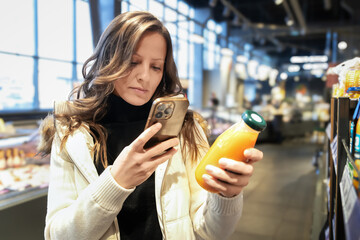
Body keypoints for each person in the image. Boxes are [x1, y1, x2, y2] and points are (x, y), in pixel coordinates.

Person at [38, 11, 264, 240]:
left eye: (156, 67)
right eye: (133, 62)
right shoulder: (71, 134)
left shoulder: (185, 128)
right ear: (109, 60)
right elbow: (58, 236)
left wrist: (227, 196)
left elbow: (209, 232)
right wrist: (116, 181)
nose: (144, 76)